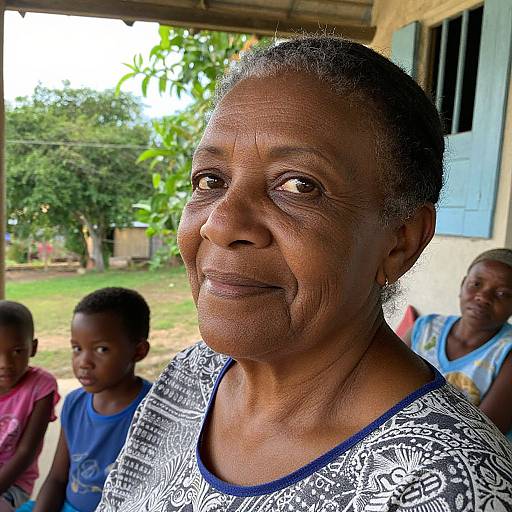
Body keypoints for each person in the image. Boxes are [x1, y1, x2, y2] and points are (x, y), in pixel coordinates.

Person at [97, 36, 512, 512]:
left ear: (399, 241)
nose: (221, 223)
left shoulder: (450, 485)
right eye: (210, 180)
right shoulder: (192, 376)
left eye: (299, 185)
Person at [20, 288, 151, 512]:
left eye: (101, 349)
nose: (83, 362)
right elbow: (57, 478)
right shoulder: (74, 403)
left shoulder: (154, 409)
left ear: (138, 351)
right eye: (77, 348)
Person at [405, 248, 512, 439]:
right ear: (463, 285)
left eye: (503, 293)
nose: (483, 297)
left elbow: (484, 435)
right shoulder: (425, 328)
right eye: (476, 284)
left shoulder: (505, 351)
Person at [0, 301, 59, 512]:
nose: (5, 362)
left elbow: (26, 452)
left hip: (12, 483)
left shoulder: (41, 387)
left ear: (33, 348)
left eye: (17, 351)